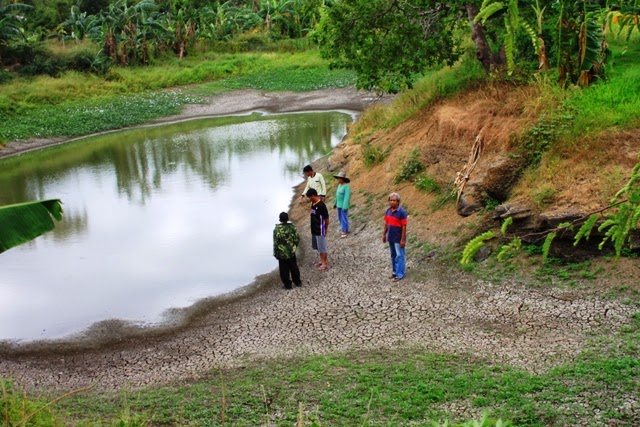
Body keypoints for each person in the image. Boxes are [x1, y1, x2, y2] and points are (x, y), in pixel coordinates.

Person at [382, 192, 407, 282]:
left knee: (399, 256)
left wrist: (402, 240)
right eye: (391, 200)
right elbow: (386, 223)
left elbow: (404, 226)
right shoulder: (388, 211)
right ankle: (394, 272)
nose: (392, 202)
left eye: (394, 200)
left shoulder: (402, 212)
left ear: (398, 202)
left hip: (398, 238)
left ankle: (400, 274)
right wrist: (384, 234)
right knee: (393, 255)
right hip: (391, 237)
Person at [273, 212, 302, 289]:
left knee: (283, 270)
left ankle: (287, 285)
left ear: (280, 219)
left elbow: (276, 243)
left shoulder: (277, 229)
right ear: (288, 218)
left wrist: (275, 253)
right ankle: (297, 282)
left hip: (281, 253)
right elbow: (297, 238)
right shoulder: (292, 227)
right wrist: (294, 247)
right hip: (291, 252)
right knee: (294, 267)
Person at [306, 188, 330, 271]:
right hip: (314, 229)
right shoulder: (313, 203)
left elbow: (326, 219)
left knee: (322, 247)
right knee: (318, 247)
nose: (309, 199)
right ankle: (321, 261)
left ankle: (325, 263)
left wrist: (326, 228)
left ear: (313, 195)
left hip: (320, 229)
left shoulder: (321, 205)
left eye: (310, 197)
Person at [332, 171, 351, 238]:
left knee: (343, 218)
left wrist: (345, 206)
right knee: (340, 218)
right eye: (338, 178)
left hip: (343, 205)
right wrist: (335, 203)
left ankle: (344, 231)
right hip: (339, 205)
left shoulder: (346, 187)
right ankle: (345, 228)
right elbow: (337, 195)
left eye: (340, 178)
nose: (338, 179)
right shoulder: (339, 186)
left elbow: (347, 197)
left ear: (343, 179)